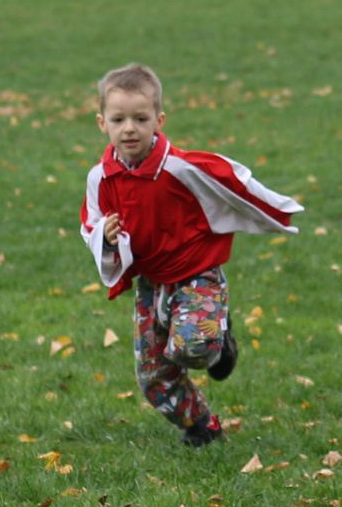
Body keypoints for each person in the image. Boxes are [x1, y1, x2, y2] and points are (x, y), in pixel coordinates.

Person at [81, 63, 300, 448]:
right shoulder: (100, 177)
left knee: (192, 347)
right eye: (118, 119)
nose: (129, 128)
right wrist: (106, 238)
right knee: (153, 377)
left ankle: (220, 342)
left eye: (140, 118)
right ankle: (202, 426)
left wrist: (279, 212)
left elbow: (232, 182)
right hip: (151, 284)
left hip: (197, 274)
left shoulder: (180, 168)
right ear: (102, 123)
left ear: (159, 120)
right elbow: (91, 224)